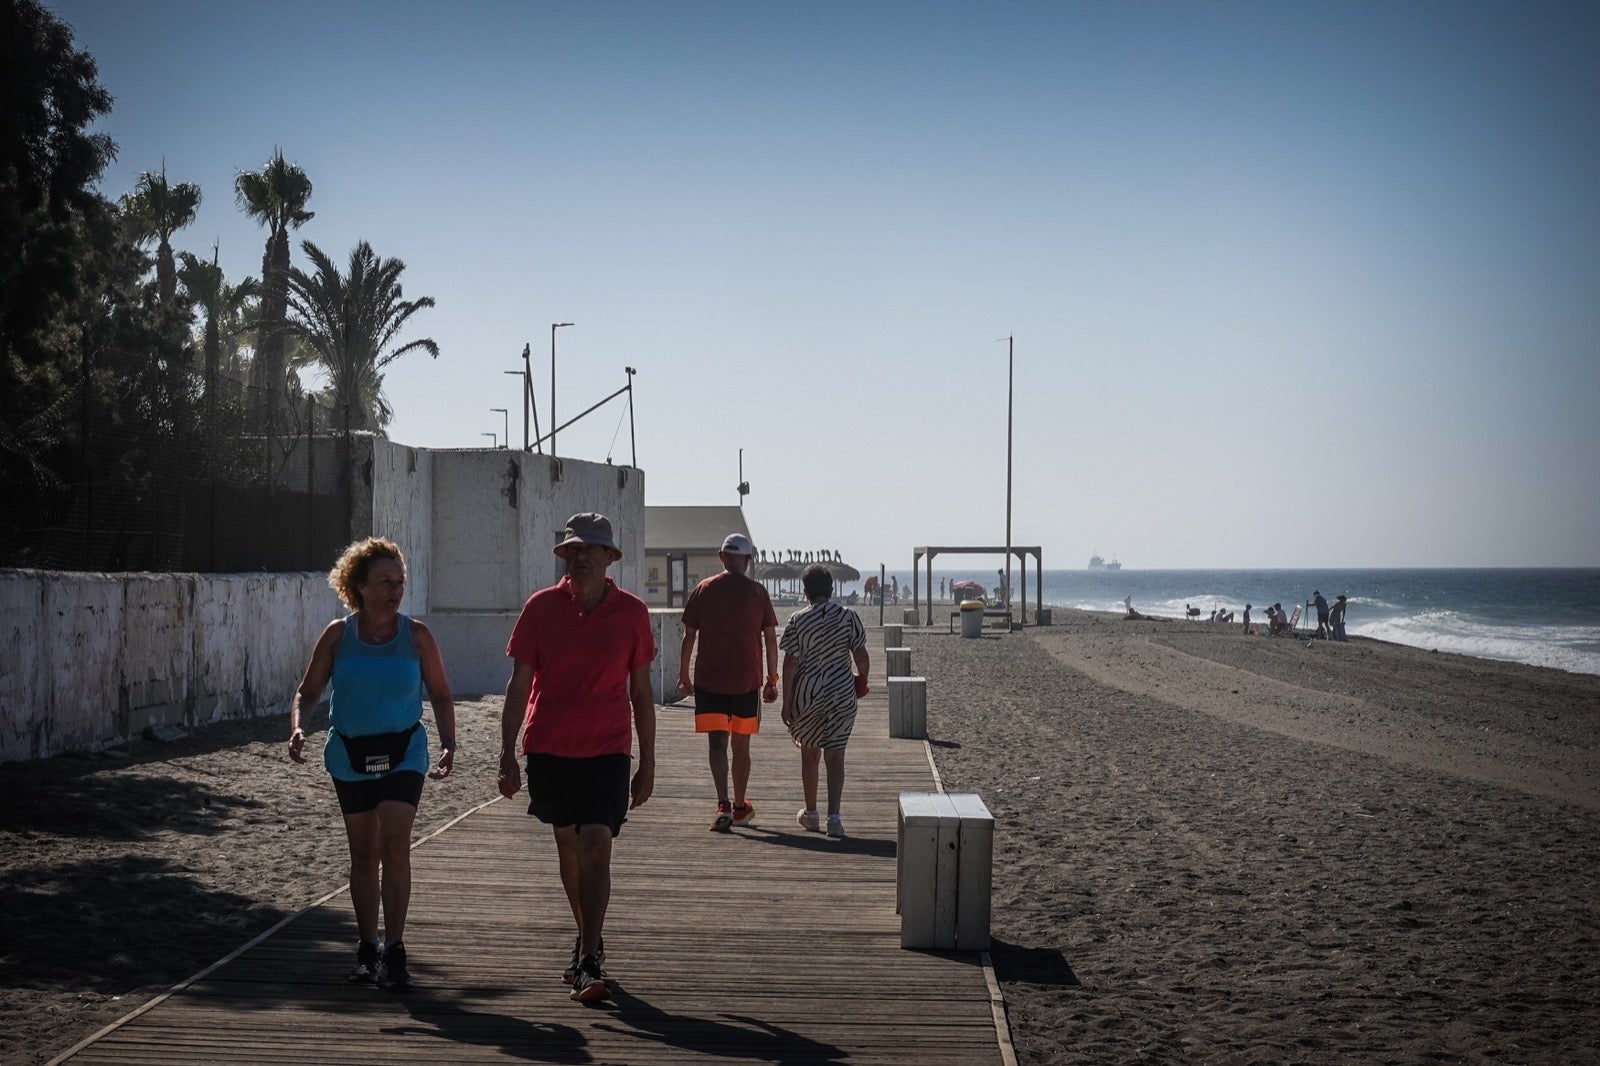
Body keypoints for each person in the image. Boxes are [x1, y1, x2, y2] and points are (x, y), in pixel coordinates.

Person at [497, 513, 656, 1004]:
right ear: (565, 557)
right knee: (568, 849)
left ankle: (589, 958)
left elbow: (642, 692)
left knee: (596, 844)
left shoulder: (632, 613)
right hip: (548, 746)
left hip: (608, 748)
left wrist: (648, 761)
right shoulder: (540, 608)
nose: (581, 556)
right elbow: (519, 684)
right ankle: (589, 935)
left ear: (610, 558)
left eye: (592, 549)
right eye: (573, 550)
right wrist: (506, 753)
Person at [289, 537, 457, 992]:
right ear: (358, 585)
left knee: (395, 844)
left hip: (405, 751)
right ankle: (367, 947)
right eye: (385, 581)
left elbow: (441, 694)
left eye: (400, 581)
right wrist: (300, 726)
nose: (395, 590)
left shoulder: (417, 635)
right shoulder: (338, 635)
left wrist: (449, 742)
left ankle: (396, 949)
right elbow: (306, 692)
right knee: (363, 853)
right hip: (349, 753)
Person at [679, 532, 779, 831]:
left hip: (709, 681)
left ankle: (722, 803)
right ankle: (739, 805)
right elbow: (771, 639)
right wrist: (772, 679)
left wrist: (684, 674)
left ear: (721, 557)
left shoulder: (703, 589)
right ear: (747, 561)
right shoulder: (758, 593)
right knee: (741, 746)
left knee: (717, 743)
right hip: (747, 681)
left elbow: (689, 636)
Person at [779, 564, 869, 840]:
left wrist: (787, 701)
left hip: (808, 694)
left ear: (805, 593)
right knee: (836, 756)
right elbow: (861, 655)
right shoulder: (849, 617)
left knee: (810, 754)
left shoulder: (797, 620)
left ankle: (811, 814)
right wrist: (861, 678)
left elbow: (791, 662)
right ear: (831, 590)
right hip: (841, 693)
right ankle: (834, 818)